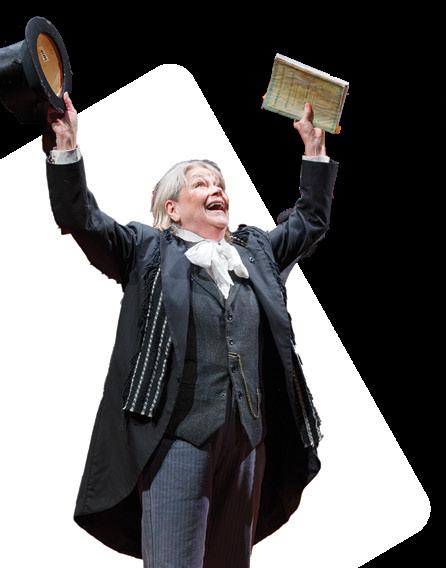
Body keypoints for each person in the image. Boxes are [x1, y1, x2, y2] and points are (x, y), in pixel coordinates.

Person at [45, 94, 336, 567]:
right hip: (177, 440)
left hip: (248, 442)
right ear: (173, 209)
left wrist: (314, 152)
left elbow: (309, 221)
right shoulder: (148, 251)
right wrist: (65, 146)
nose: (215, 189)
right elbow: (83, 219)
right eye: (200, 184)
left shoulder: (255, 253)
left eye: (219, 183)